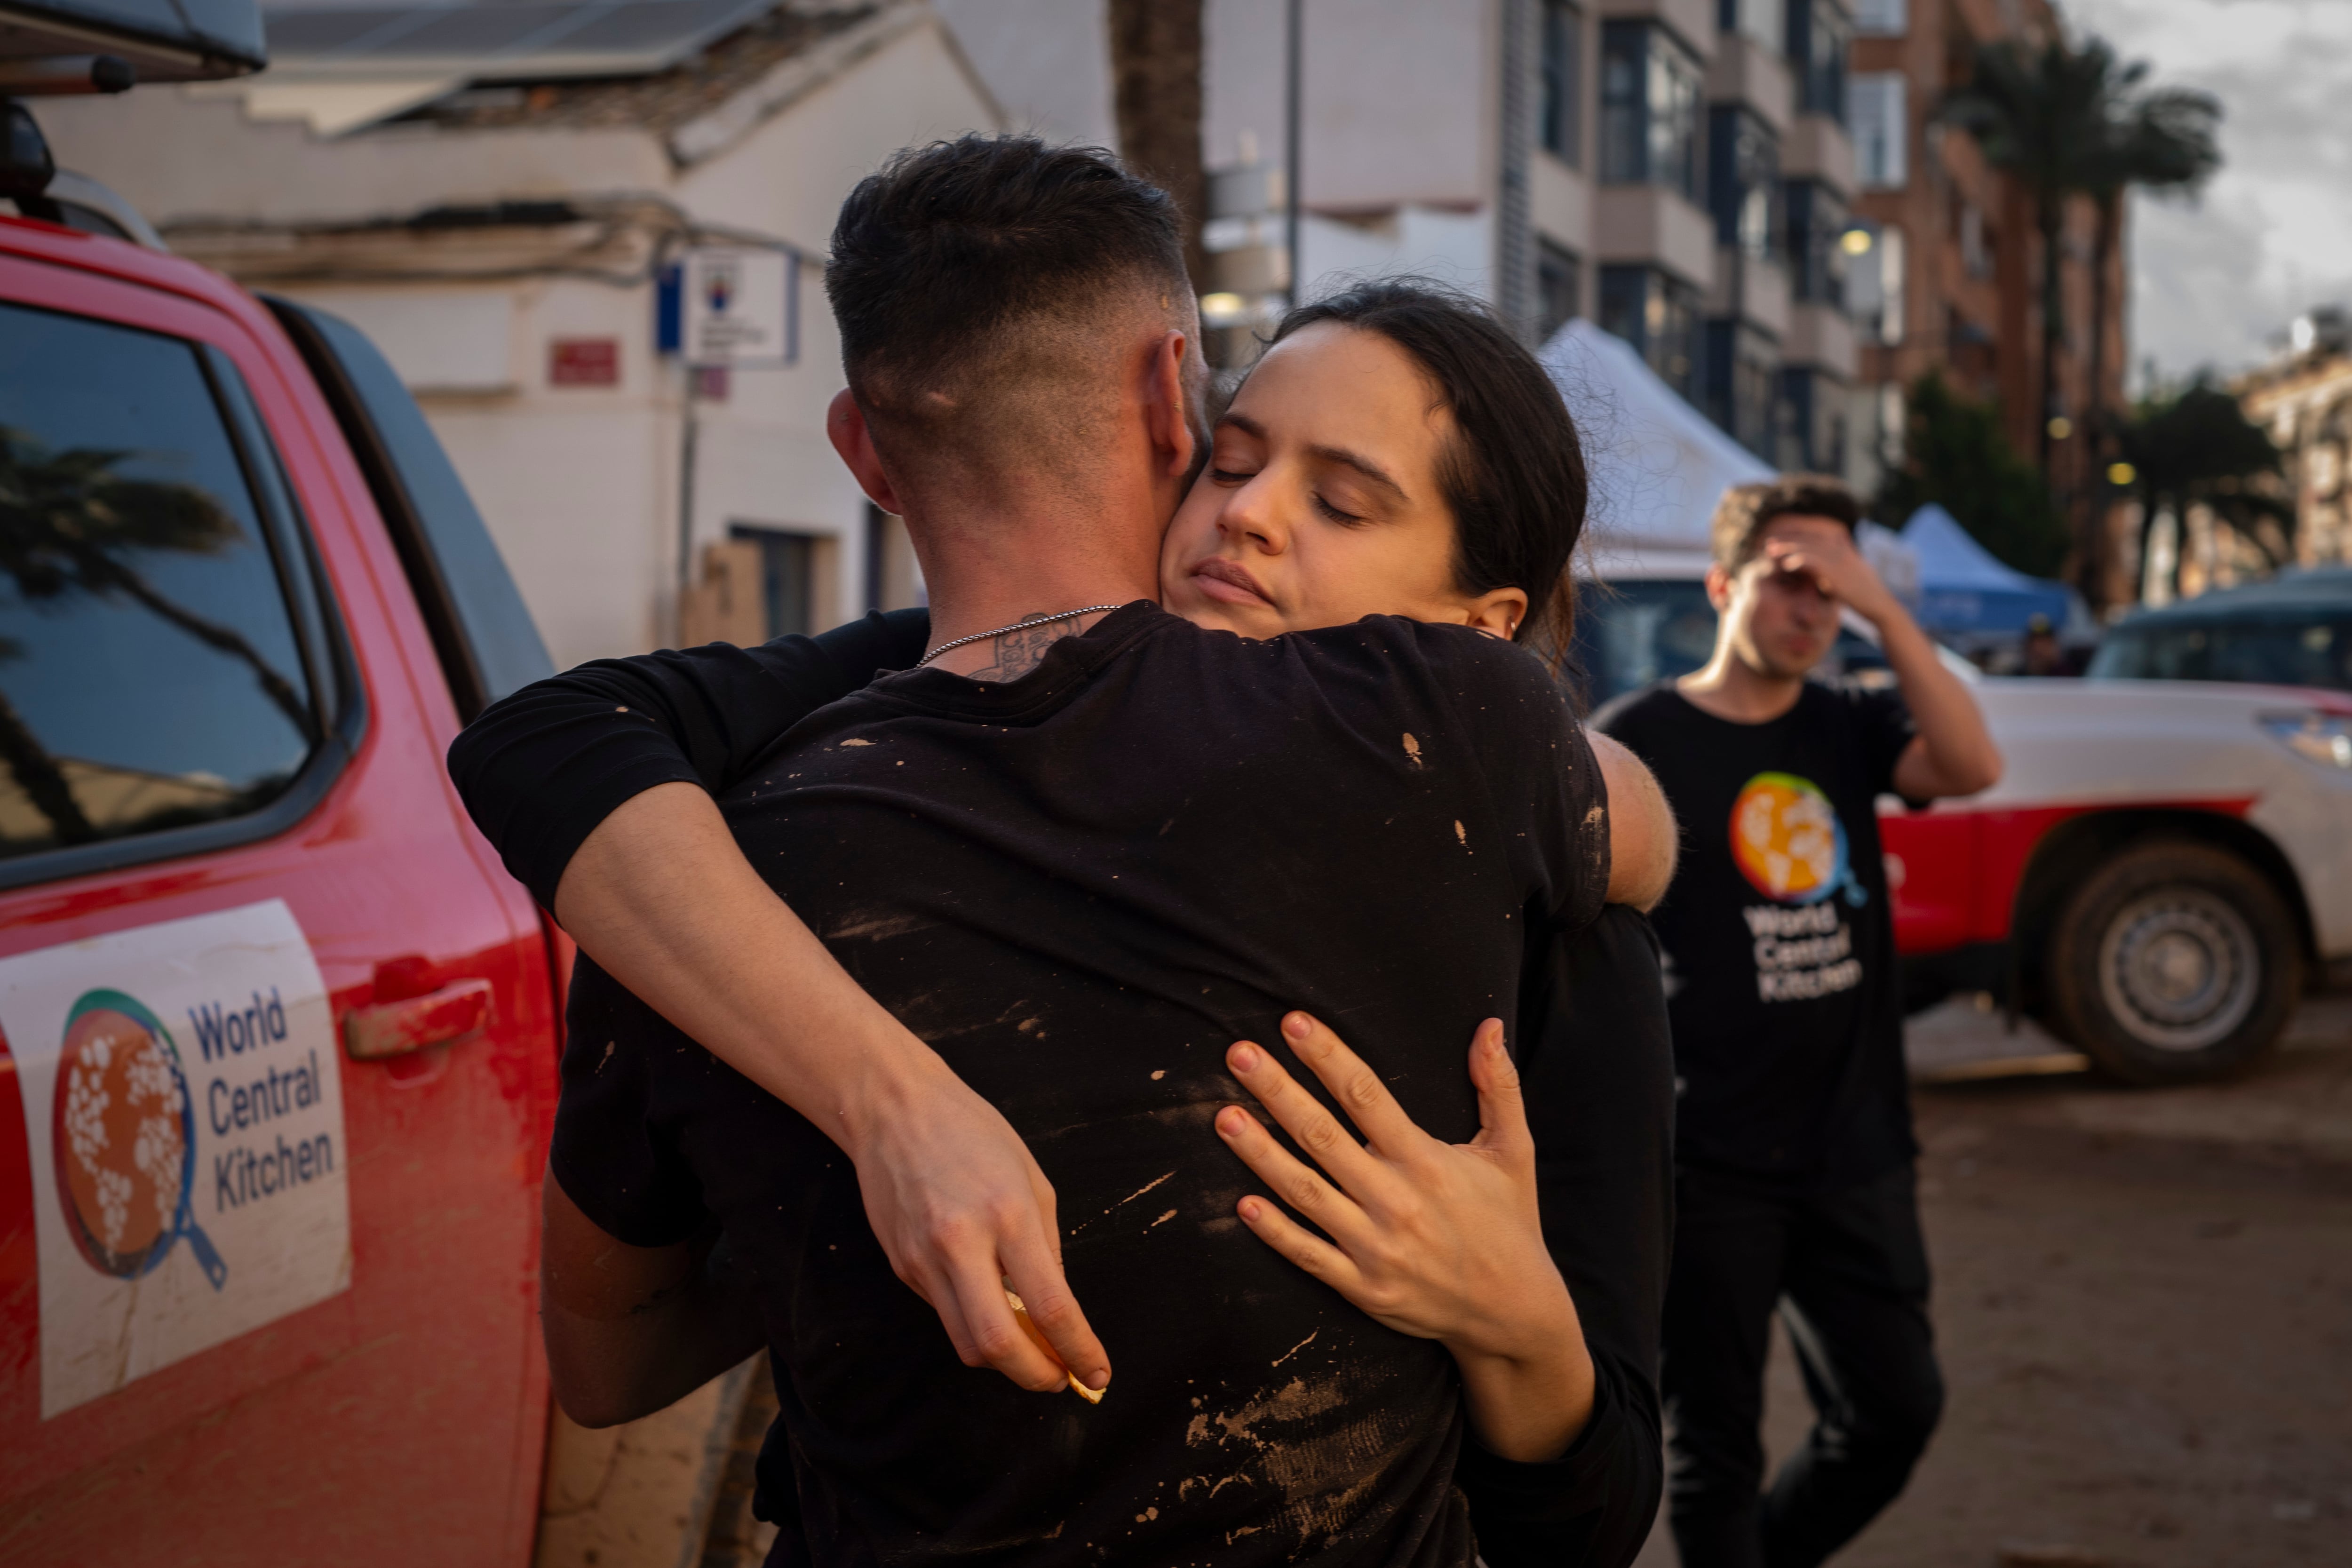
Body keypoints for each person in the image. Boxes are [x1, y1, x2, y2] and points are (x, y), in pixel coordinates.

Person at [454, 136, 1676, 1567]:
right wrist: (879, 1128)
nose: (1251, 515)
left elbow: (1594, 1511)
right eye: (1233, 458)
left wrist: (1516, 1317)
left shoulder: (700, 867)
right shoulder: (721, 859)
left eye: (1344, 504)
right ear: (1174, 404)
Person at [1594, 478, 2003, 1568]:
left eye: (1837, 586)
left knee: (1895, 1407)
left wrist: (1888, 610)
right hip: (1707, 1157)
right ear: (1724, 584)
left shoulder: (1847, 720)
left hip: (1854, 1145)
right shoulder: (1635, 741)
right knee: (1712, 1446)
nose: (1814, 606)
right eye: (1792, 578)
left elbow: (1972, 765)